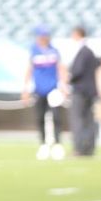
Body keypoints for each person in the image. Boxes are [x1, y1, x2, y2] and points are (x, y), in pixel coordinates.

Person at [22, 25, 67, 160]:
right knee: (40, 118)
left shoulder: (54, 51)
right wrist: (25, 89)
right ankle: (43, 144)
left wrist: (63, 85)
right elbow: (29, 70)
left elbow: (61, 68)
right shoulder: (34, 51)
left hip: (53, 89)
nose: (44, 38)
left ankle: (57, 144)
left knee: (56, 117)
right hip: (39, 89)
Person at [67, 26, 99, 156]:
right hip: (90, 91)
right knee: (88, 120)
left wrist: (69, 78)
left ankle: (79, 148)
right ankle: (89, 147)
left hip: (81, 91)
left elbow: (77, 71)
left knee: (78, 119)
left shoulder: (82, 51)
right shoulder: (89, 51)